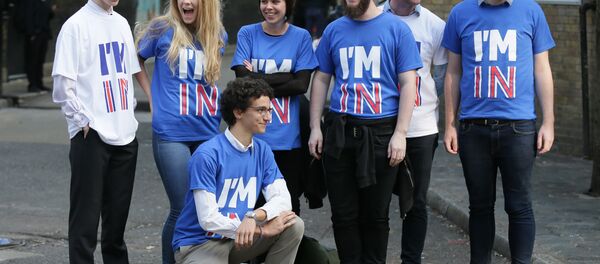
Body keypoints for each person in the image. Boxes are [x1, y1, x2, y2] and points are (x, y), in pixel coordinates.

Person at [308, 0, 422, 263]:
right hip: (340, 130)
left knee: (376, 216)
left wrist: (400, 133)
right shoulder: (334, 30)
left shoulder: (397, 29)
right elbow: (322, 78)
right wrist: (315, 126)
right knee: (343, 215)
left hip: (381, 133)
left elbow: (408, 83)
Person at [442, 0, 555, 263]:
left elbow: (542, 69)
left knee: (520, 206)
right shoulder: (460, 13)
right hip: (473, 128)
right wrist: (449, 124)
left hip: (519, 128)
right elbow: (453, 72)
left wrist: (548, 122)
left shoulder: (531, 11)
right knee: (480, 207)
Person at [51, 0, 147, 263]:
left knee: (116, 228)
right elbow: (62, 86)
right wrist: (82, 121)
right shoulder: (75, 26)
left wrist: (130, 113)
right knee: (85, 224)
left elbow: (128, 73)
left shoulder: (121, 23)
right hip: (91, 136)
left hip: (125, 135)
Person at [172, 77, 304, 264]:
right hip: (200, 244)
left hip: (240, 238)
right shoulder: (208, 154)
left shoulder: (263, 150)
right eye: (261, 110)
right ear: (238, 112)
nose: (268, 117)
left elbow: (283, 200)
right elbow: (208, 219)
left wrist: (254, 216)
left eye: (269, 110)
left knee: (292, 224)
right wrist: (261, 230)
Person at [136, 0, 226, 263]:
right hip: (171, 132)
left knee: (206, 207)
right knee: (183, 206)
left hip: (208, 129)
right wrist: (152, 96)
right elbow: (136, 59)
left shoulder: (217, 33)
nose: (186, 2)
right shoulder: (161, 29)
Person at [231, 0, 318, 216]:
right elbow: (243, 80)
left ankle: (286, 251)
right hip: (252, 139)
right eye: (264, 1)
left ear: (288, 4)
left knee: (288, 207)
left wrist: (257, 78)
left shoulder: (300, 37)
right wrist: (287, 76)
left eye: (276, 1)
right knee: (252, 206)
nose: (268, 7)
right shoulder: (247, 33)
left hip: (288, 140)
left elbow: (301, 85)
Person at [380, 0, 447, 263]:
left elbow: (440, 76)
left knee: (416, 202)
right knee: (378, 202)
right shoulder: (374, 19)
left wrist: (422, 102)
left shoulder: (434, 26)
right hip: (380, 125)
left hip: (421, 129)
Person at [13, 0, 55, 92]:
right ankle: (32, 84)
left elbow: (49, 15)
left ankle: (39, 83)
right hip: (34, 33)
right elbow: (27, 15)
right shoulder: (30, 2)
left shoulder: (43, 2)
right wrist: (31, 32)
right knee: (32, 60)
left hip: (43, 33)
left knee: (40, 59)